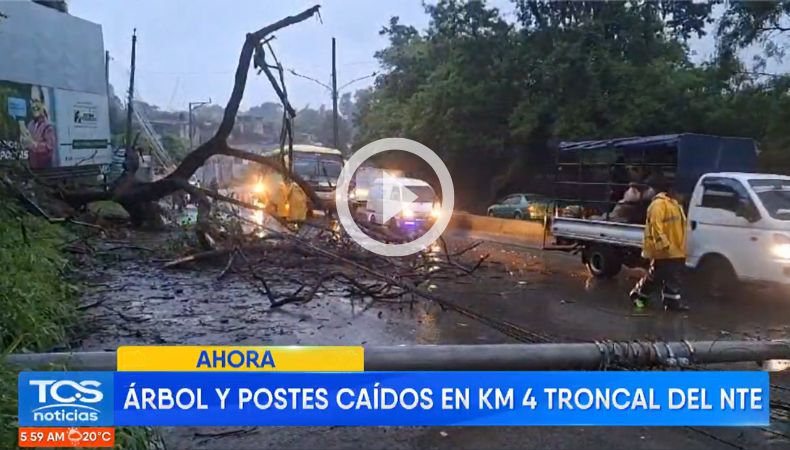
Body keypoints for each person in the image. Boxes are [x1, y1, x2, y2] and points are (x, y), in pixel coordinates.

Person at [629, 176, 690, 311]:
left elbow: (679, 228)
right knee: (657, 276)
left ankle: (671, 302)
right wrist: (664, 245)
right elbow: (656, 228)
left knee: (671, 277)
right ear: (672, 191)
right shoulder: (658, 205)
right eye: (681, 193)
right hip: (665, 250)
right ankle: (638, 296)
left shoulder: (675, 205)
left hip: (676, 250)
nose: (683, 197)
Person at [19, 85, 57, 169]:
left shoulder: (48, 126)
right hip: (32, 172)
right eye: (32, 101)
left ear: (43, 103)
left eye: (36, 101)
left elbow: (49, 148)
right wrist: (23, 142)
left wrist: (33, 144)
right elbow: (26, 147)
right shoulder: (30, 125)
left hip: (45, 174)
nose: (33, 105)